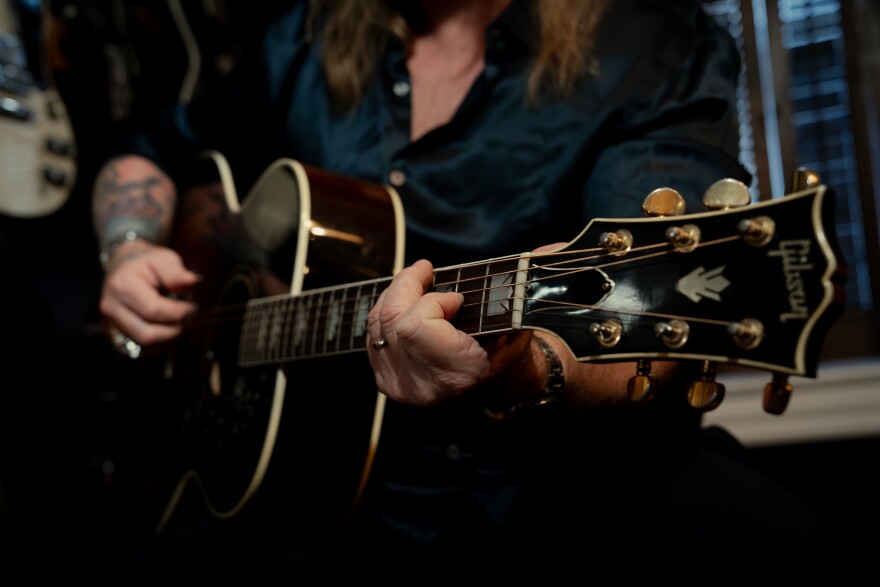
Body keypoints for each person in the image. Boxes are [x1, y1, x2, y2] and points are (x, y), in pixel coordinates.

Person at [84, 0, 879, 583]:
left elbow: (649, 327)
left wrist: (522, 367)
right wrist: (128, 249)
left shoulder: (653, 43)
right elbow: (148, 152)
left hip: (577, 498)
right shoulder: (302, 37)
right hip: (316, 496)